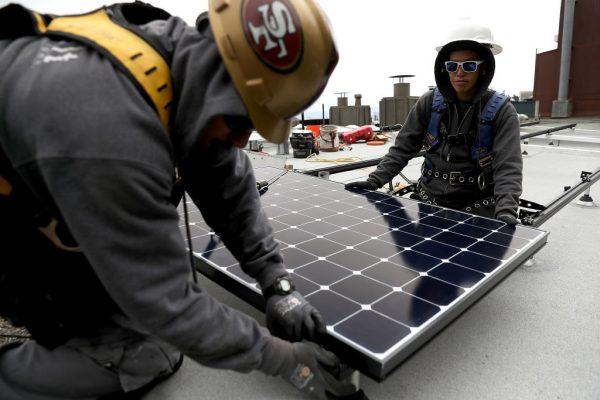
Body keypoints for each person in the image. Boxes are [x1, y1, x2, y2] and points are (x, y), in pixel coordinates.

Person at [0, 1, 356, 399]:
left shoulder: (177, 57)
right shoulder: (105, 126)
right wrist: (288, 360)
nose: (241, 142)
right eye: (241, 122)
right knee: (138, 357)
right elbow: (170, 305)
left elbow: (223, 175)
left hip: (49, 185)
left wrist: (277, 284)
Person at [346, 23, 522, 224]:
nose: (459, 72)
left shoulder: (501, 111)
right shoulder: (429, 103)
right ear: (444, 68)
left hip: (477, 210)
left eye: (469, 65)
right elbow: (402, 148)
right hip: (429, 204)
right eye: (452, 66)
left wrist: (506, 211)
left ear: (483, 68)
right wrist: (374, 181)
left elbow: (508, 166)